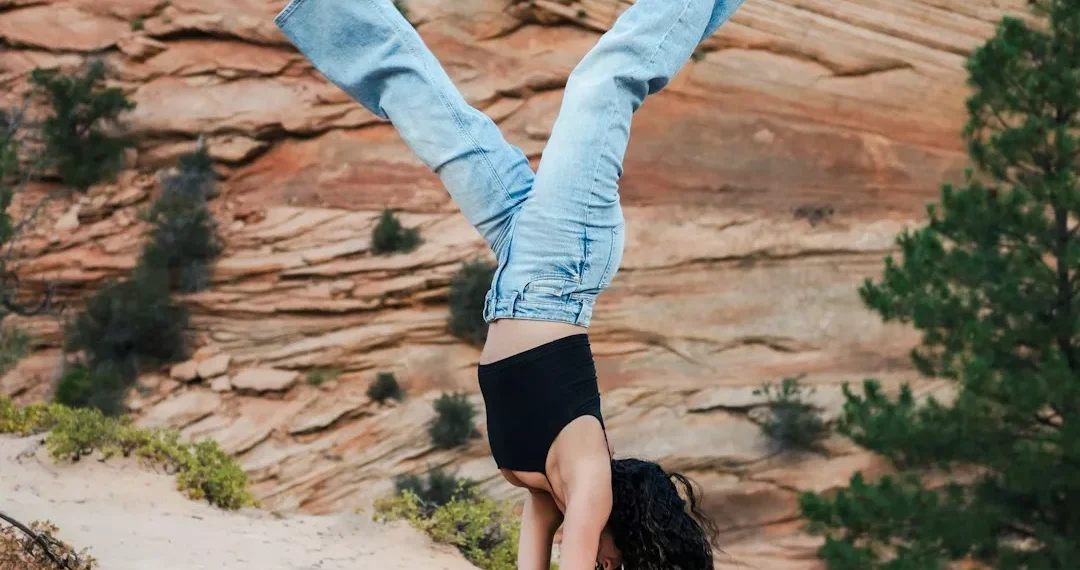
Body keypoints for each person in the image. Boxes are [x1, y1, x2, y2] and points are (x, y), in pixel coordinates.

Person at [274, 0, 743, 568]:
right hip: (562, 265)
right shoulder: (591, 481)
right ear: (632, 532)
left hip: (516, 270)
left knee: (433, 117)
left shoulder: (547, 493)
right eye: (618, 566)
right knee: (604, 82)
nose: (604, 567)